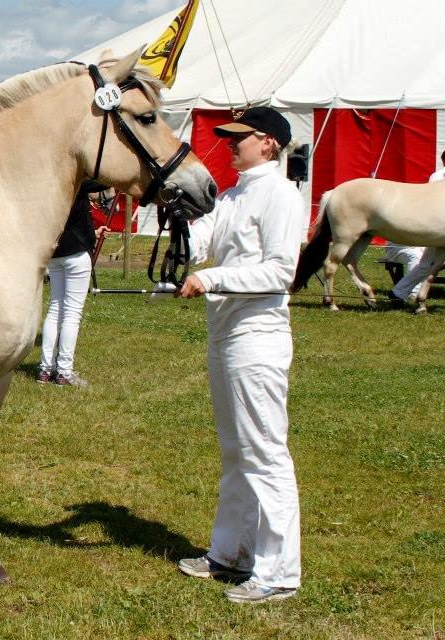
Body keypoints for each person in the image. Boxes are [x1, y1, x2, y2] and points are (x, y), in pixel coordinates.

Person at [175, 106, 304, 603]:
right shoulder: (231, 195)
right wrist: (183, 230)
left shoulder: (281, 196)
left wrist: (213, 277)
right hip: (225, 334)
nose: (230, 144)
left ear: (268, 143)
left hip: (257, 338)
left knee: (265, 453)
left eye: (240, 138)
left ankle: (278, 571)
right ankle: (229, 553)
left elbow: (279, 273)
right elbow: (202, 242)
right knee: (237, 451)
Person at [36, 180, 109, 387]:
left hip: (56, 253)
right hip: (76, 254)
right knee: (72, 313)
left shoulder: (49, 186)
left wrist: (92, 234)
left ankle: (45, 369)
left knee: (55, 308)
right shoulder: (77, 183)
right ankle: (64, 372)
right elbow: (102, 181)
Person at [389, 149, 445, 305]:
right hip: (436, 227)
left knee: (427, 265)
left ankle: (399, 293)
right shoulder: (439, 177)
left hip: (439, 230)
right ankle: (412, 294)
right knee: (428, 264)